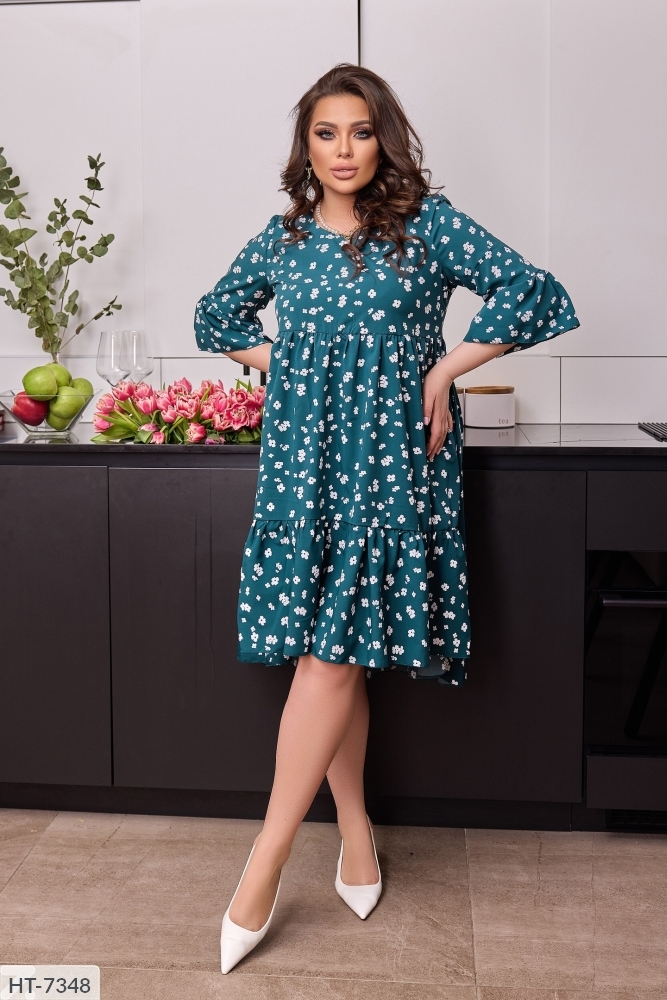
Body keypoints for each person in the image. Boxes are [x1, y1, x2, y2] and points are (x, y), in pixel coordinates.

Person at [194, 63, 579, 974]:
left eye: (360, 132)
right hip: (304, 467)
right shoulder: (284, 238)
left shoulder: (425, 225)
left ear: (384, 140)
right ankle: (357, 828)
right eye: (325, 134)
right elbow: (216, 316)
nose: (343, 151)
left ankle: (265, 861)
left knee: (331, 655)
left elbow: (533, 292)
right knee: (334, 651)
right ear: (305, 146)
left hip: (394, 462)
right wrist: (297, 367)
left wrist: (443, 369)